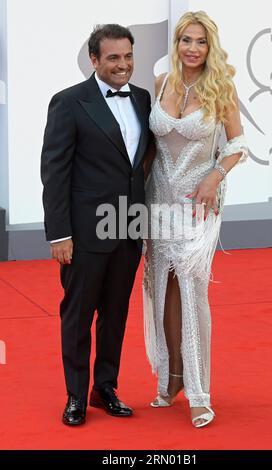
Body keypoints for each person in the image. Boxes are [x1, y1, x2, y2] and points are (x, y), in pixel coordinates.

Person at [41, 24, 152, 425]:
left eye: (127, 56)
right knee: (78, 314)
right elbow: (54, 172)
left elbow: (139, 165)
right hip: (84, 232)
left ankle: (105, 388)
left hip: (128, 227)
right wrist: (59, 233)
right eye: (113, 58)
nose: (123, 65)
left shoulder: (142, 99)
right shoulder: (69, 102)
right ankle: (74, 394)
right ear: (94, 60)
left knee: (115, 313)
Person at [143, 11, 248, 428]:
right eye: (186, 40)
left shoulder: (222, 88)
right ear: (177, 43)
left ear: (211, 47)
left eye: (200, 42)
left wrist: (215, 176)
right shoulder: (161, 84)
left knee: (193, 293)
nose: (192, 48)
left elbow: (237, 143)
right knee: (163, 290)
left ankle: (200, 394)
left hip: (197, 204)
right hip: (157, 204)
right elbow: (151, 145)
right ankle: (171, 381)